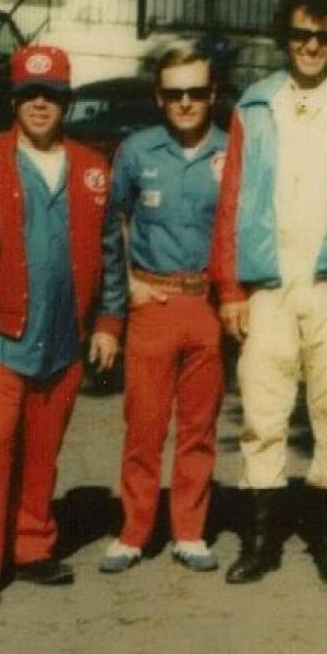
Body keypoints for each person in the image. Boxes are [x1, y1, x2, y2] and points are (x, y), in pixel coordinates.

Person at [210, 0, 327, 585]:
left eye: (324, 37)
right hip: (268, 281)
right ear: (285, 37)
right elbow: (231, 197)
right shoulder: (256, 104)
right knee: (263, 409)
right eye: (302, 34)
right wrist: (230, 288)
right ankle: (261, 539)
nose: (311, 46)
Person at [0, 44, 125, 607]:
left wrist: (109, 322)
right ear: (14, 100)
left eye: (51, 95)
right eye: (29, 94)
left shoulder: (92, 167)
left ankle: (32, 546)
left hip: (65, 337)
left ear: (67, 102)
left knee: (43, 451)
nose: (40, 105)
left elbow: (111, 252)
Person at [99, 43, 228, 575]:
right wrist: (127, 284)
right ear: (159, 97)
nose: (186, 103)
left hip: (207, 304)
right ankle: (133, 531)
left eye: (196, 92)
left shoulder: (232, 152)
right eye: (174, 94)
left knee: (199, 425)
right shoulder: (137, 151)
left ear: (212, 94)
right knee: (145, 424)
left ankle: (190, 531)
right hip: (153, 301)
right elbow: (112, 222)